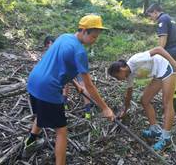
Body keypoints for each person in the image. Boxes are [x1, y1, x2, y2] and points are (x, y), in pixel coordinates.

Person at [25, 14, 115, 165]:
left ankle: (31, 140)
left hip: (34, 82)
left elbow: (60, 67)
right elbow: (90, 86)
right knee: (61, 131)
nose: (95, 40)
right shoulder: (80, 52)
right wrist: (105, 108)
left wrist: (76, 85)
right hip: (49, 88)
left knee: (41, 113)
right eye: (93, 36)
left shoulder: (63, 37)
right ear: (84, 30)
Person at [108, 47, 176, 152]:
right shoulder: (129, 74)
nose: (118, 80)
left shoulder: (135, 60)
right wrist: (124, 111)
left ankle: (166, 138)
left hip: (167, 68)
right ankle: (155, 129)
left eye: (117, 77)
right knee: (145, 100)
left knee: (167, 102)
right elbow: (128, 95)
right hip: (158, 74)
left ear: (121, 70)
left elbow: (159, 49)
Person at [43, 35, 93, 119]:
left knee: (79, 85)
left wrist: (76, 83)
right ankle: (87, 111)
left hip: (73, 68)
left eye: (47, 46)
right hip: (77, 65)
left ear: (50, 43)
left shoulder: (56, 49)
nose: (48, 48)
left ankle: (84, 110)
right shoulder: (63, 45)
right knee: (77, 85)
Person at [145, 3, 176, 111]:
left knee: (165, 76)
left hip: (171, 50)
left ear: (155, 12)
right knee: (173, 75)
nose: (151, 18)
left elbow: (162, 41)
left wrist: (157, 52)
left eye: (150, 15)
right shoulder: (172, 19)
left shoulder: (162, 19)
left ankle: (170, 104)